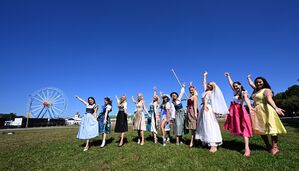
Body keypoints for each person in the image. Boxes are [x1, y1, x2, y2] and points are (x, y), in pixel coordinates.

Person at [247, 75, 287, 155]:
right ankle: (267, 145)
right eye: (257, 82)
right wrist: (248, 78)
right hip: (257, 111)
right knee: (261, 128)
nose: (258, 83)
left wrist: (276, 108)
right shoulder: (256, 90)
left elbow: (269, 99)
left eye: (260, 82)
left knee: (272, 128)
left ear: (264, 82)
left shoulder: (266, 90)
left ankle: (275, 146)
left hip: (266, 110)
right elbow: (251, 84)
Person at [196, 71, 228, 153]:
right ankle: (205, 140)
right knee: (203, 124)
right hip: (203, 107)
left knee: (209, 124)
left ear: (212, 87)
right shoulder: (205, 91)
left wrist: (206, 106)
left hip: (207, 108)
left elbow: (206, 99)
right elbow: (204, 83)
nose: (208, 85)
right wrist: (204, 76)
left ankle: (213, 144)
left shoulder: (210, 92)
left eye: (210, 85)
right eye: (208, 85)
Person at [223, 72, 253, 157]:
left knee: (244, 128)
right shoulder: (235, 92)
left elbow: (246, 99)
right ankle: (246, 147)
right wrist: (228, 76)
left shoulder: (244, 92)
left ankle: (247, 148)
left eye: (237, 85)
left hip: (240, 111)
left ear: (240, 85)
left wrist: (250, 107)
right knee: (239, 127)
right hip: (234, 111)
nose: (235, 86)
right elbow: (230, 83)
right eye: (234, 86)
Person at [185, 82, 198, 148]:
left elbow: (195, 105)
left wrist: (195, 113)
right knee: (191, 127)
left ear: (194, 89)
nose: (190, 90)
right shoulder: (190, 96)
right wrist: (190, 86)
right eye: (190, 90)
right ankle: (194, 139)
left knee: (193, 127)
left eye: (192, 89)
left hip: (192, 111)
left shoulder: (195, 96)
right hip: (188, 111)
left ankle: (192, 141)